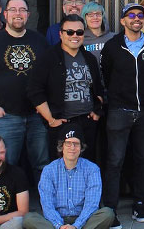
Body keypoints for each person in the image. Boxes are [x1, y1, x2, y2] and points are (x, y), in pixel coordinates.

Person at [100, 3, 144, 227]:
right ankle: (110, 210)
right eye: (131, 15)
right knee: (115, 161)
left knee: (142, 159)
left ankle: (140, 204)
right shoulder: (112, 47)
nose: (137, 18)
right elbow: (106, 77)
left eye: (140, 15)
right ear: (122, 21)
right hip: (119, 111)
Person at [0, 0, 54, 173]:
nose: (18, 14)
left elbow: (50, 76)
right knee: (4, 164)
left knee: (42, 164)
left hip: (37, 116)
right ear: (5, 14)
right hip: (6, 117)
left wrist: (44, 106)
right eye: (13, 10)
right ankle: (8, 201)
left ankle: (45, 200)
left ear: (28, 14)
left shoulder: (39, 41)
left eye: (22, 10)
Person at [24, 128, 116, 229]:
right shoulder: (49, 170)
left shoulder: (92, 169)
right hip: (57, 219)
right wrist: (60, 226)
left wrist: (75, 227)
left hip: (83, 219)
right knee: (28, 219)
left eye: (76, 144)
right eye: (68, 143)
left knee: (108, 214)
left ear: (81, 147)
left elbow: (92, 204)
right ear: (61, 146)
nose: (72, 147)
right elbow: (47, 205)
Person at [29, 14, 104, 158]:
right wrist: (51, 120)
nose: (74, 36)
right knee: (62, 167)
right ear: (61, 34)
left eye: (79, 32)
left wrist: (97, 111)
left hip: (88, 122)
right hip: (61, 123)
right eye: (69, 32)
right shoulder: (48, 58)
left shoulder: (89, 58)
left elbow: (98, 88)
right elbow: (34, 91)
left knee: (88, 165)